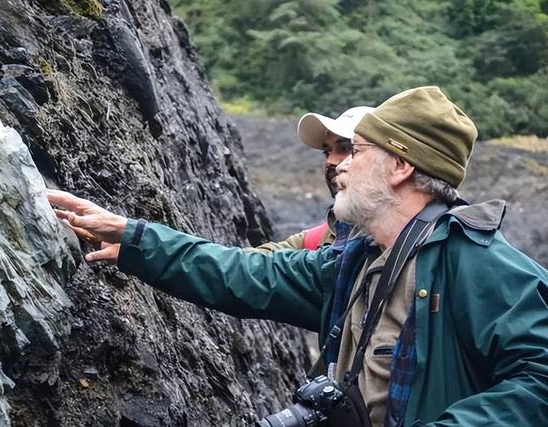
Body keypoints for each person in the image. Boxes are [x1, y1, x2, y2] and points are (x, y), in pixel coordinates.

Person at [47, 86, 548, 426]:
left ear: (398, 165)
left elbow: (539, 382)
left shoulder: (479, 262)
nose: (340, 166)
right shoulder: (354, 260)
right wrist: (134, 238)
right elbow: (245, 274)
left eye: (357, 151)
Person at [254, 106, 374, 252]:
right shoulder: (315, 241)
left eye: (348, 149)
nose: (330, 160)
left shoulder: (402, 247)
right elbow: (259, 262)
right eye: (327, 152)